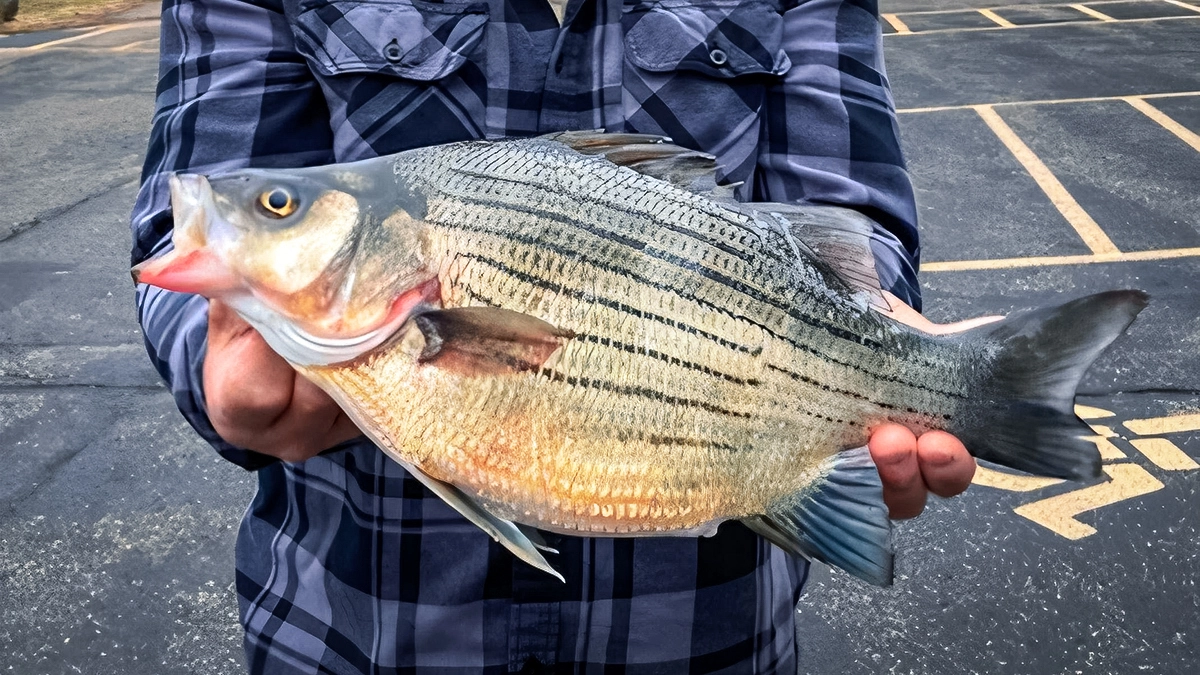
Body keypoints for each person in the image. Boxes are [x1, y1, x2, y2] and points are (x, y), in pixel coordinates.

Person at [130, 0, 977, 671]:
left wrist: (871, 363)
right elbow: (193, 232)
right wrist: (214, 369)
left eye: (285, 207)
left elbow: (851, 220)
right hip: (357, 627)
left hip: (699, 636)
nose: (265, 211)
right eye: (290, 206)